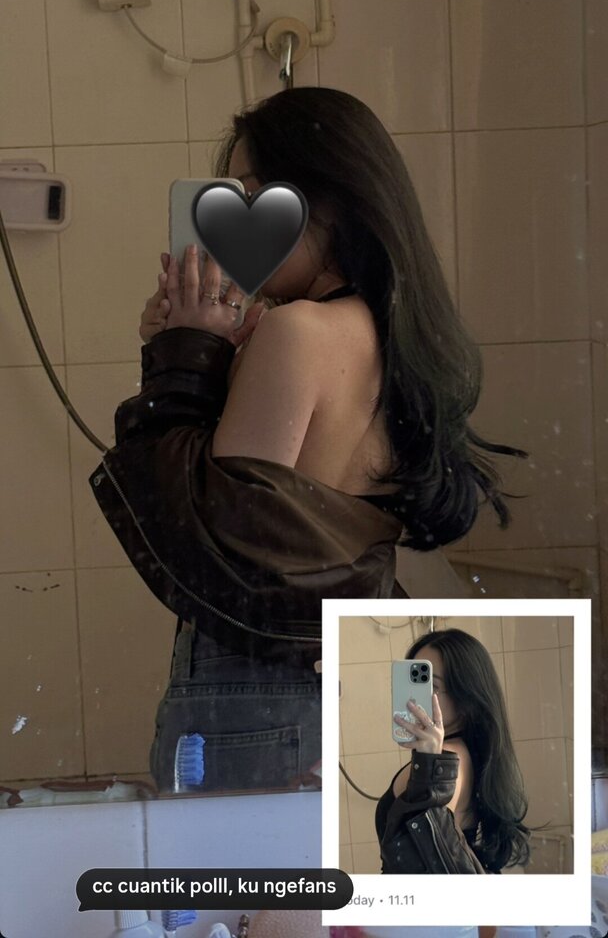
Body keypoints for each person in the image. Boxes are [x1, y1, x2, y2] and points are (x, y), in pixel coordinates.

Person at [89, 87, 526, 795]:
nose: (236, 223)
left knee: (230, 874)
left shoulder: (296, 333)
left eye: (254, 195)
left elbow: (218, 543)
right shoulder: (389, 336)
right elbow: (276, 511)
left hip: (254, 690)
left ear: (329, 202)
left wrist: (183, 358)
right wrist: (202, 352)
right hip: (321, 685)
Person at [375, 628, 531, 874]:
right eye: (415, 680)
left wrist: (430, 764)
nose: (415, 697)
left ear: (465, 695)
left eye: (432, 685)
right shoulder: (465, 752)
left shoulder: (448, 760)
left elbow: (440, 868)